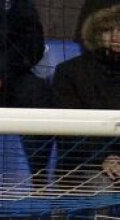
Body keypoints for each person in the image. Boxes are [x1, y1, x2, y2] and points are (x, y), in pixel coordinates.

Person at [52, 4, 120, 183]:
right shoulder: (69, 72)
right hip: (83, 163)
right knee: (102, 186)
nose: (116, 36)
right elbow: (67, 133)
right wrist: (104, 158)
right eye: (108, 30)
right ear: (96, 33)